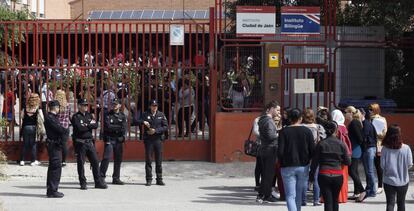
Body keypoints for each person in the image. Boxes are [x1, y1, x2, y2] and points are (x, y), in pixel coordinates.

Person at [278, 108, 315, 211]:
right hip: (303, 166)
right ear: (300, 118)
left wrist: (281, 162)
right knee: (298, 194)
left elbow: (280, 152)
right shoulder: (307, 131)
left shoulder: (283, 132)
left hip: (287, 166)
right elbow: (312, 150)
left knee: (290, 196)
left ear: (289, 118)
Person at [310, 121, 351, 211]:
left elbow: (314, 162)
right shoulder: (341, 144)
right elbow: (348, 162)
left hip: (324, 174)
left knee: (327, 200)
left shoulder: (321, 144)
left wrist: (311, 176)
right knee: (335, 199)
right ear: (336, 131)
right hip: (337, 174)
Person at [71, 99, 107, 190]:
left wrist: (85, 125)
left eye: (87, 105)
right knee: (81, 164)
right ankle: (83, 182)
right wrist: (88, 125)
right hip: (80, 143)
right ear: (79, 106)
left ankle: (98, 182)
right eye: (84, 105)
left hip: (89, 142)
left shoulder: (90, 115)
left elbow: (95, 125)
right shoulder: (76, 117)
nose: (86, 107)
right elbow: (79, 128)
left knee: (95, 162)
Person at [381, 125, 413, 211]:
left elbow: (382, 165)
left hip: (388, 181)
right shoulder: (406, 148)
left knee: (390, 203)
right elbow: (410, 164)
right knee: (401, 203)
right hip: (403, 181)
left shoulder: (384, 149)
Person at [138, 99, 168, 186]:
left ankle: (159, 179)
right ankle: (149, 179)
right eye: (152, 106)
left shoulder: (161, 115)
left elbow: (165, 126)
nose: (154, 107)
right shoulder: (145, 114)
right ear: (150, 106)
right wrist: (143, 122)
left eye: (155, 106)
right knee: (148, 160)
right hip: (149, 140)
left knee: (159, 160)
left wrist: (156, 130)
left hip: (158, 140)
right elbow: (135, 121)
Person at [256, 101, 280, 204]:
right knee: (268, 174)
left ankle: (263, 194)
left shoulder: (262, 119)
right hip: (270, 149)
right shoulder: (269, 121)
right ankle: (265, 195)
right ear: (271, 109)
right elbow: (271, 136)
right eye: (277, 110)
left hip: (264, 148)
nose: (278, 112)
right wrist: (279, 133)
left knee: (266, 173)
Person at [302, 108, 326, 206]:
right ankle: (316, 200)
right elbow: (323, 139)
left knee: (304, 178)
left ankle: (303, 200)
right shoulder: (318, 127)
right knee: (316, 178)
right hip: (316, 154)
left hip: (304, 154)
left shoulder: (301, 127)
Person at [100, 98, 127, 185]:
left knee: (118, 159)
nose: (114, 105)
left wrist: (115, 127)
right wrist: (118, 127)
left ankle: (116, 178)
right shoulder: (107, 114)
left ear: (119, 105)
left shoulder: (122, 115)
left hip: (118, 140)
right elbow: (108, 127)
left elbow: (123, 128)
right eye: (113, 104)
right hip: (110, 139)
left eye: (116, 104)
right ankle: (101, 177)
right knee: (106, 158)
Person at [44, 100, 68, 198]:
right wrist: (64, 130)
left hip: (56, 145)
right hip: (53, 145)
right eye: (58, 107)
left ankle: (52, 189)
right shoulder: (50, 118)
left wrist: (63, 131)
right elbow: (60, 129)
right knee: (55, 168)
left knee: (55, 167)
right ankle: (52, 190)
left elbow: (61, 130)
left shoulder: (53, 117)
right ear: (56, 107)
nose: (59, 109)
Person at [331, 109, 352, 203]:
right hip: (344, 156)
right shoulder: (344, 127)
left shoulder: (334, 127)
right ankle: (342, 197)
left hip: (335, 156)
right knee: (343, 177)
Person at [345, 106, 365, 200]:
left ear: (351, 113)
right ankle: (356, 192)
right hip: (355, 149)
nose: (345, 114)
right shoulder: (354, 122)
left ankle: (362, 191)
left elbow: (360, 138)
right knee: (355, 171)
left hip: (355, 150)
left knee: (351, 171)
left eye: (346, 112)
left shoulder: (354, 123)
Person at [369, 103, 387, 195]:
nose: (369, 111)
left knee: (378, 166)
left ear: (375, 110)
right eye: (369, 109)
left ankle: (380, 186)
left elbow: (384, 134)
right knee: (369, 167)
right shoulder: (368, 119)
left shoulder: (382, 119)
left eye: (371, 109)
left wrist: (376, 133)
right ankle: (370, 185)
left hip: (378, 145)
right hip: (369, 145)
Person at [19, 93, 42, 166]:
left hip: (25, 127)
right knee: (33, 144)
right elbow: (42, 119)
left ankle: (22, 160)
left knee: (25, 144)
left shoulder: (25, 108)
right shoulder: (38, 108)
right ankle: (33, 160)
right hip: (34, 127)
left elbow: (22, 116)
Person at [54, 90, 71, 166]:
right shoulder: (67, 105)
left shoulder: (55, 105)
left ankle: (56, 159)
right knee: (64, 144)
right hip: (65, 126)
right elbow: (69, 115)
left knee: (56, 143)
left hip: (56, 126)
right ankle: (63, 161)